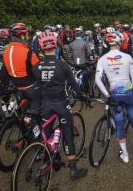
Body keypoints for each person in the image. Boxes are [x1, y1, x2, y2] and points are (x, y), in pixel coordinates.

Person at [33, 32, 88, 180]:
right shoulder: (62, 65)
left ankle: (45, 161)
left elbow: (38, 85)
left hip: (47, 104)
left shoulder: (37, 66)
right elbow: (74, 85)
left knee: (45, 136)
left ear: (41, 47)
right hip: (62, 104)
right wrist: (82, 96)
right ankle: (74, 171)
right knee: (68, 135)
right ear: (56, 45)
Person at [95, 31, 133, 163]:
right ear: (119, 42)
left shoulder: (102, 59)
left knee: (119, 124)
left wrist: (107, 94)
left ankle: (125, 154)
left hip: (114, 95)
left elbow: (97, 80)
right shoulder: (127, 57)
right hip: (128, 93)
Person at [3, 23, 43, 142]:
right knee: (36, 115)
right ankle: (38, 144)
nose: (28, 37)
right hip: (31, 88)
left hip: (18, 88)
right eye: (26, 35)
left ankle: (26, 135)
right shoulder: (27, 52)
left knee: (23, 115)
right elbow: (39, 71)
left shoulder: (6, 51)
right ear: (22, 37)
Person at [68, 28, 92, 96]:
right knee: (86, 77)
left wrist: (72, 57)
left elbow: (69, 54)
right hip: (83, 62)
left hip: (75, 63)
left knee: (75, 76)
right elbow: (89, 52)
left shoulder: (71, 43)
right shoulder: (84, 43)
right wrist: (86, 56)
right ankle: (87, 92)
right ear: (81, 35)